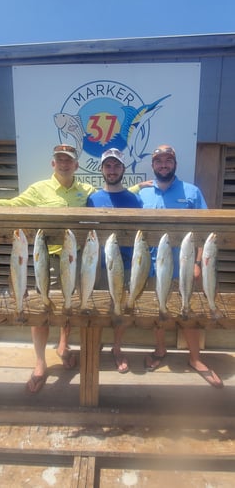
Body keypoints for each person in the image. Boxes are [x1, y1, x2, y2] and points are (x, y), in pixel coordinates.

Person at [0, 144, 96, 393]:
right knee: (41, 307)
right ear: (53, 163)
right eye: (60, 159)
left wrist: (137, 189)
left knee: (71, 303)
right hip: (48, 258)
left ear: (76, 166)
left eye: (69, 160)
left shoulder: (86, 190)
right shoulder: (39, 189)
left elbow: (111, 196)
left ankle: (63, 345)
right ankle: (40, 363)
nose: (64, 163)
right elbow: (14, 204)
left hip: (76, 258)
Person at [138, 144, 223, 388]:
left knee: (190, 314)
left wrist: (198, 263)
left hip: (185, 267)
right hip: (151, 266)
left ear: (174, 163)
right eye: (159, 161)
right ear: (153, 165)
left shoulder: (192, 192)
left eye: (168, 161)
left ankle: (195, 359)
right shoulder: (142, 194)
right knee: (159, 310)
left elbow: (204, 231)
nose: (163, 165)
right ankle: (160, 349)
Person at [87, 148, 143, 374]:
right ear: (101, 169)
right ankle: (94, 348)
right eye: (108, 166)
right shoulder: (92, 199)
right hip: (98, 268)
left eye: (116, 166)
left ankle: (117, 348)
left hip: (128, 265)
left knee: (123, 312)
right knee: (98, 309)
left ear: (123, 169)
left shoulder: (134, 199)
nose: (112, 170)